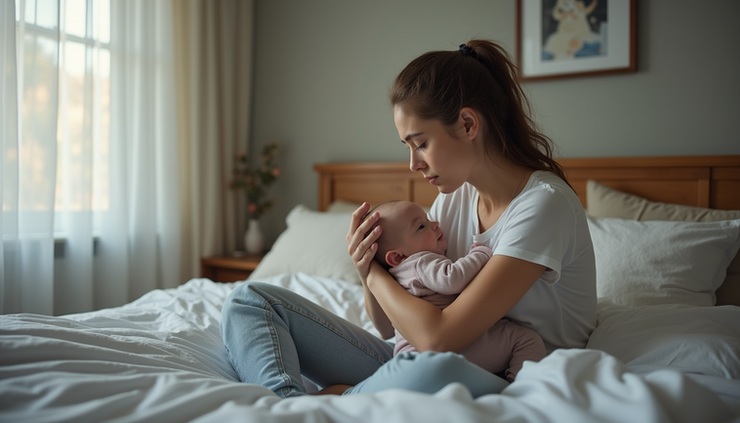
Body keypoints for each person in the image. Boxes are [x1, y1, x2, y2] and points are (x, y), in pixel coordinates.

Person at [220, 39, 596, 399]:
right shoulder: (456, 197)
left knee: (425, 369)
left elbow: (438, 339)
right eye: (409, 147)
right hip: (429, 356)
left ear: (468, 124)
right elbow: (387, 325)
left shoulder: (543, 205)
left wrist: (372, 274)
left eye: (421, 143)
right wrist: (368, 266)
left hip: (506, 372)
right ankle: (287, 408)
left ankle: (337, 400)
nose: (414, 164)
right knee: (249, 300)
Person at [362, 200, 547, 381]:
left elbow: (387, 329)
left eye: (428, 219)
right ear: (397, 256)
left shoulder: (396, 276)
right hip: (431, 356)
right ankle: (519, 388)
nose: (434, 224)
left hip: (410, 357)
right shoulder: (420, 261)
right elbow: (452, 278)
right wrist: (481, 253)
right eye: (421, 226)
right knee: (526, 340)